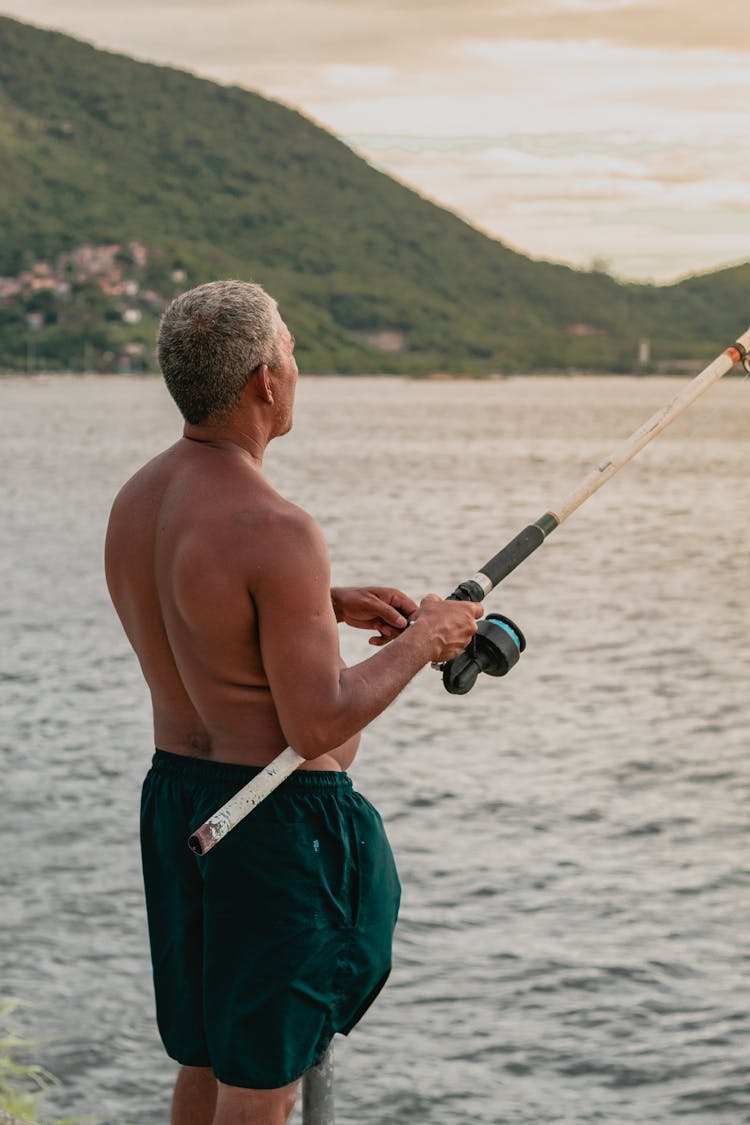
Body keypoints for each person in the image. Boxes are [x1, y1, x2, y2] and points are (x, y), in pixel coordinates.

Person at [104, 279, 481, 1125]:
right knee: (263, 1083)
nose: (296, 368)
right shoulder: (277, 527)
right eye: (293, 351)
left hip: (178, 800)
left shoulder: (137, 501)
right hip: (272, 820)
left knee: (205, 1051)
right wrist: (426, 638)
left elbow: (197, 612)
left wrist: (318, 601)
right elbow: (318, 723)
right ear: (264, 382)